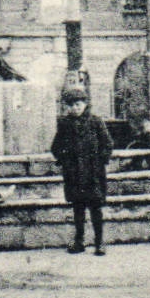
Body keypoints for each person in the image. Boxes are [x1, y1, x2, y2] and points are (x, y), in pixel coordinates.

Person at [51, 85, 114, 256]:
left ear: (85, 104)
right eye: (71, 105)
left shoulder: (95, 122)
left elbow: (107, 144)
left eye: (78, 104)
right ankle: (79, 242)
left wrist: (100, 161)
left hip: (93, 174)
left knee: (96, 209)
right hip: (74, 175)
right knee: (78, 209)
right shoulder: (64, 124)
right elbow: (56, 147)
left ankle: (99, 242)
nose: (75, 108)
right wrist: (65, 161)